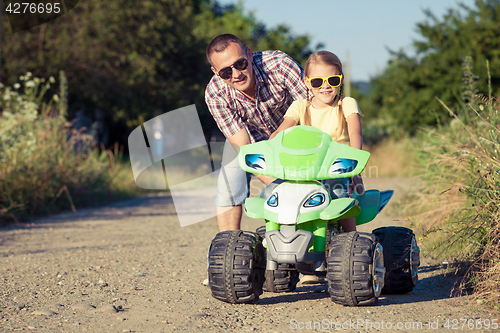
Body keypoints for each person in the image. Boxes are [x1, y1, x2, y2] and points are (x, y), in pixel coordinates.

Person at [205, 33, 307, 232]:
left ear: (250, 55)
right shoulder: (215, 94)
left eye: (240, 64)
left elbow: (314, 111)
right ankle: (228, 245)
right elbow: (244, 149)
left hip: (299, 134)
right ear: (216, 72)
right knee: (230, 177)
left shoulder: (279, 65)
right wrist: (278, 184)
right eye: (226, 72)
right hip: (253, 142)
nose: (236, 74)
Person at [269, 50, 365, 232]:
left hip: (338, 167)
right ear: (307, 82)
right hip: (305, 166)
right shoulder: (300, 106)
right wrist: (270, 144)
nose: (325, 86)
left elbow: (355, 132)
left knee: (338, 193)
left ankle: (351, 238)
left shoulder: (346, 104)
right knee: (276, 193)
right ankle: (279, 237)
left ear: (341, 79)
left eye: (333, 80)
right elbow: (281, 130)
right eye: (317, 81)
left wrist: (355, 162)